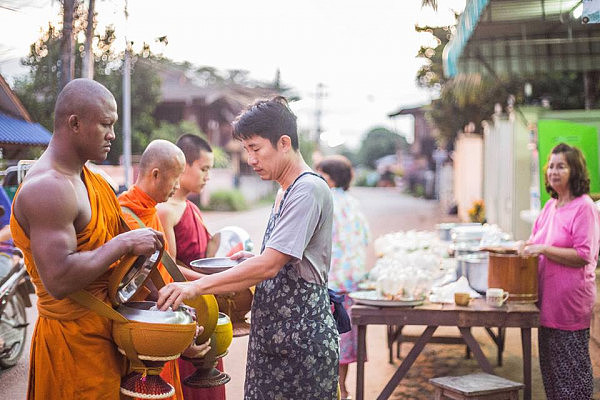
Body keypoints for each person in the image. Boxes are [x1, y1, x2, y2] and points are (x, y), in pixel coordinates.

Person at [157, 96, 339, 399]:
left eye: (255, 148)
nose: (251, 158)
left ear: (283, 143)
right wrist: (251, 259)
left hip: (301, 343)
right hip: (276, 339)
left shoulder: (307, 189)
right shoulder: (286, 190)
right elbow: (284, 263)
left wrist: (196, 287)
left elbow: (269, 266)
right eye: (246, 149)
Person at [9, 78, 164, 399]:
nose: (112, 135)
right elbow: (59, 279)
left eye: (114, 125)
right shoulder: (48, 187)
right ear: (75, 123)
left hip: (109, 334)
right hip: (71, 344)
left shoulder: (96, 181)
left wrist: (163, 306)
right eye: (106, 124)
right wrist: (123, 243)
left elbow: (124, 268)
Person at [117, 139, 209, 400]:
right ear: (155, 174)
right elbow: (125, 286)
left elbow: (161, 272)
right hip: (143, 331)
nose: (178, 186)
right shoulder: (124, 214)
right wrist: (169, 311)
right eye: (175, 178)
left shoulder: (151, 211)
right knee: (146, 390)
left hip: (161, 319)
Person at [520, 143, 599, 399]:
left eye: (561, 166)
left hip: (569, 305)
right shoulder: (549, 206)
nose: (554, 171)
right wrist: (524, 247)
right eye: (551, 166)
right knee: (552, 375)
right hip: (548, 304)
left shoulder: (584, 207)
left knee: (572, 376)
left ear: (574, 171)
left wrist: (542, 249)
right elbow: (534, 242)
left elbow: (584, 255)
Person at [156, 133, 226, 400]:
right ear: (184, 166)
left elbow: (206, 254)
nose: (207, 176)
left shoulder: (192, 208)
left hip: (204, 300)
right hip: (186, 306)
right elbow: (169, 269)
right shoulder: (167, 210)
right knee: (191, 383)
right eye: (204, 168)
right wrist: (207, 283)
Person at [316, 155, 370, 400]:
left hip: (331, 283)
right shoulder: (354, 203)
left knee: (327, 339)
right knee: (345, 338)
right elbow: (365, 238)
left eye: (320, 175)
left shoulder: (324, 200)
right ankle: (343, 387)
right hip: (353, 281)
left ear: (329, 178)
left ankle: (331, 390)